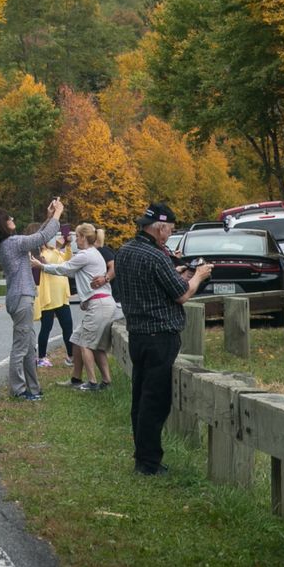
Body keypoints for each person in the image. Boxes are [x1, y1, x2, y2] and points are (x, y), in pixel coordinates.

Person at [113, 204, 212, 476]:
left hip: (137, 334)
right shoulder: (156, 257)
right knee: (155, 401)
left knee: (140, 397)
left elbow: (139, 286)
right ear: (158, 228)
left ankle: (142, 456)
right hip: (160, 336)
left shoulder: (126, 251)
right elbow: (182, 295)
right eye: (168, 229)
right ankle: (148, 463)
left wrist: (178, 274)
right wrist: (199, 276)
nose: (169, 234)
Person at [0, 197, 66, 400]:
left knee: (30, 347)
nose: (12, 219)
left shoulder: (8, 244)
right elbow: (40, 238)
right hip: (22, 298)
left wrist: (49, 217)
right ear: (3, 224)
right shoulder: (12, 243)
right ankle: (19, 390)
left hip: (21, 298)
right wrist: (57, 214)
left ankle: (33, 388)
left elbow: (36, 236)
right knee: (21, 347)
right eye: (9, 218)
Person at [33, 223, 116, 390]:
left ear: (84, 238)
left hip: (99, 304)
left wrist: (41, 266)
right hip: (100, 303)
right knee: (77, 339)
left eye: (77, 236)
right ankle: (80, 379)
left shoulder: (85, 255)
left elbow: (64, 269)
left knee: (86, 344)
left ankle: (92, 382)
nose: (76, 239)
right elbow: (71, 270)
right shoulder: (94, 253)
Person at [33, 233, 74, 368]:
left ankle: (71, 355)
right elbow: (49, 265)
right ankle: (41, 357)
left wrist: (67, 246)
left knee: (68, 327)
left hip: (62, 297)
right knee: (46, 328)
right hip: (49, 297)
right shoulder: (41, 254)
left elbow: (67, 260)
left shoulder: (55, 251)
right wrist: (59, 246)